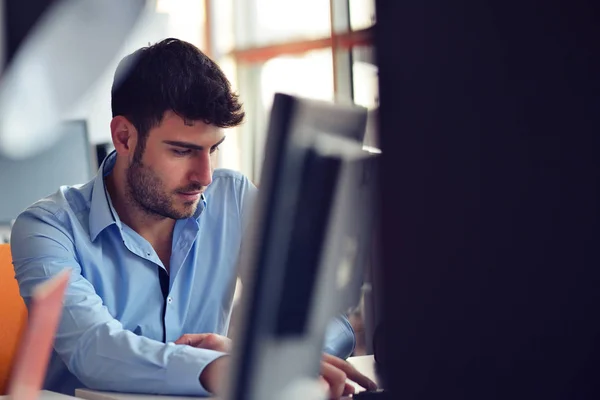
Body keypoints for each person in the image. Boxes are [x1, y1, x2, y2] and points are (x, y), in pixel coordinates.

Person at [10, 38, 376, 399]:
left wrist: (259, 361)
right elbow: (93, 348)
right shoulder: (47, 228)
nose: (205, 176)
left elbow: (328, 322)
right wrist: (219, 368)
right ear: (123, 138)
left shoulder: (234, 199)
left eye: (213, 150)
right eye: (183, 151)